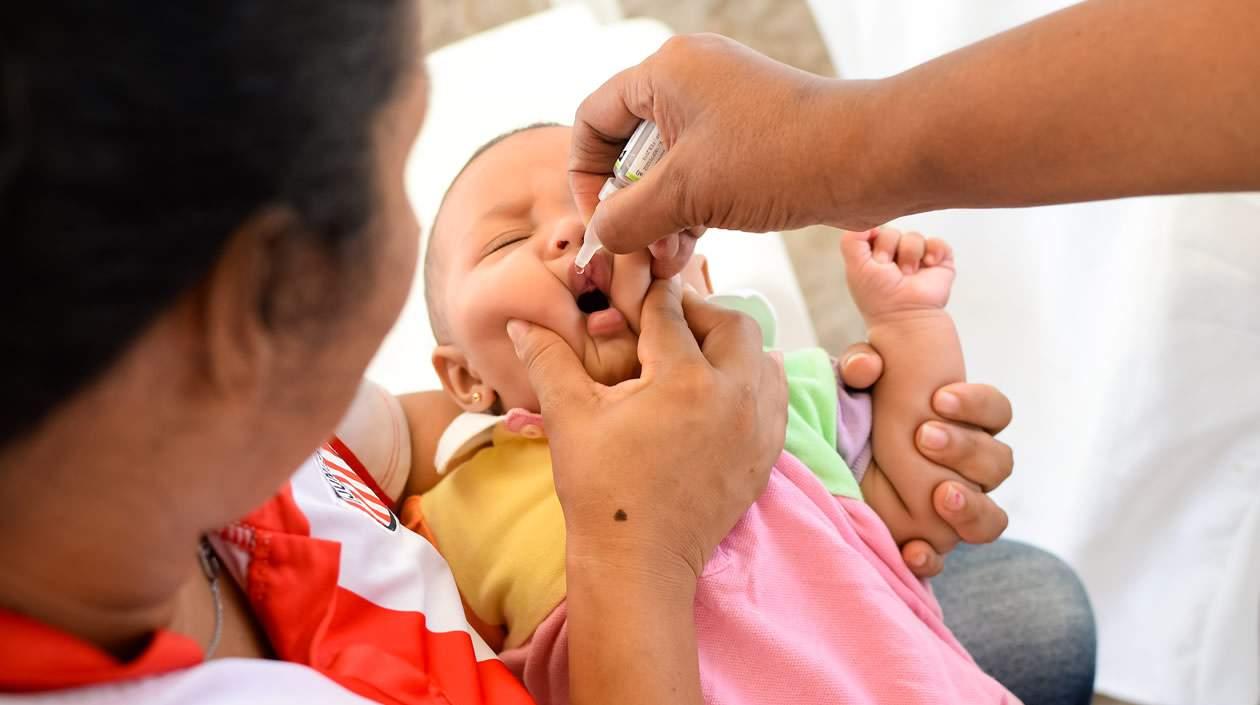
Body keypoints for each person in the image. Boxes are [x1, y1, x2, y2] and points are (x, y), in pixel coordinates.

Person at [0, 3, 1051, 705]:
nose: (572, 233)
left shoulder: (757, 393)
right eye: (400, 171)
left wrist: (911, 351)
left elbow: (900, 485)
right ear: (254, 311)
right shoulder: (470, 482)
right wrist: (637, 546)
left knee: (1037, 608)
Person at [399, 122, 1009, 704]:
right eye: (506, 240)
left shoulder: (765, 390)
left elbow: (911, 512)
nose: (570, 229)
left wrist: (911, 327)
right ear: (465, 376)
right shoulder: (455, 515)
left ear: (702, 279)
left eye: (612, 203)